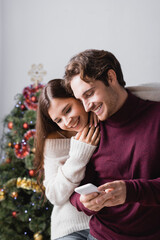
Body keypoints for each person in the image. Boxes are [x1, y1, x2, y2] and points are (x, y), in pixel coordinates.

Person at [64, 49, 160, 240]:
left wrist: (131, 191)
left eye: (89, 94)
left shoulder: (156, 117)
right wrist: (85, 202)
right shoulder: (90, 131)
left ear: (110, 77)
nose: (86, 107)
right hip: (99, 235)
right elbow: (75, 193)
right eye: (80, 100)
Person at [34, 79, 100, 240]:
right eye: (58, 120)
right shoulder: (54, 141)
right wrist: (79, 156)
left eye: (68, 110)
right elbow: (55, 195)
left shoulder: (103, 119)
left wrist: (95, 105)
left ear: (78, 96)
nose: (67, 121)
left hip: (106, 223)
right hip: (68, 226)